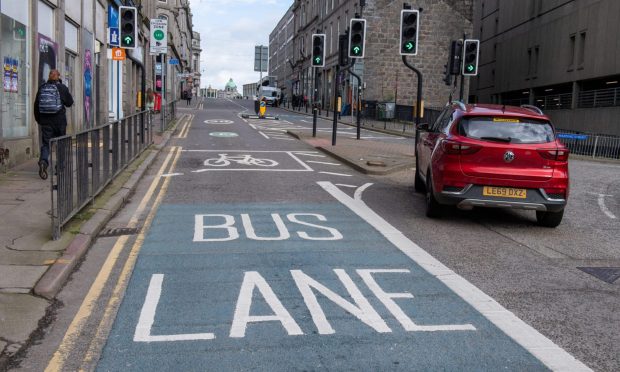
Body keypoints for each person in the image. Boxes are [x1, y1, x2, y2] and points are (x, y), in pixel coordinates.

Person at [34, 69, 74, 180]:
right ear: (58, 76)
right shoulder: (62, 88)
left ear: (49, 76)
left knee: (46, 144)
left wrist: (39, 120)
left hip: (45, 121)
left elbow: (36, 105)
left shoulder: (42, 88)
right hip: (59, 121)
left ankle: (43, 162)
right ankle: (60, 168)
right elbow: (70, 103)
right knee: (61, 143)